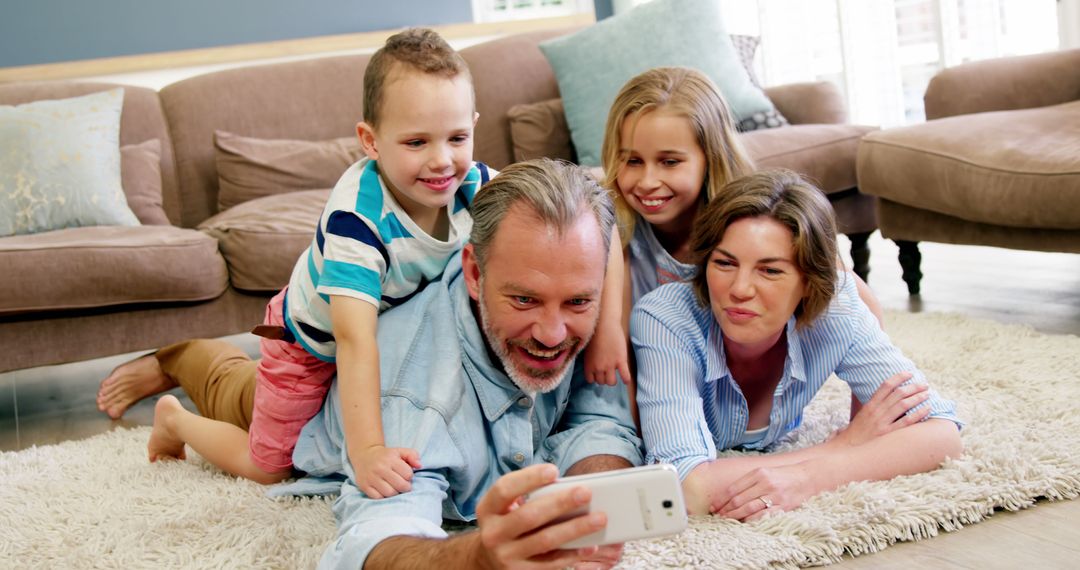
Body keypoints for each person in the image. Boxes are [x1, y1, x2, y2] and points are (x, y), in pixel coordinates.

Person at [98, 29, 629, 493]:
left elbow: (591, 211)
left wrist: (606, 330)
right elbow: (354, 342)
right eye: (417, 141)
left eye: (457, 137)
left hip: (391, 327)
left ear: (473, 126)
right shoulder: (359, 222)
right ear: (370, 141)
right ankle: (176, 420)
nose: (442, 160)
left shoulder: (478, 184)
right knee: (272, 466)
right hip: (314, 342)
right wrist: (369, 450)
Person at [98, 159, 643, 569]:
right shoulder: (418, 399)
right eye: (524, 301)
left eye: (578, 302)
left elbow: (601, 421)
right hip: (318, 369)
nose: (552, 334)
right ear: (475, 274)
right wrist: (479, 559)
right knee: (246, 413)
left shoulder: (584, 309)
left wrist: (585, 503)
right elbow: (371, 543)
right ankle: (177, 361)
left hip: (375, 346)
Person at [631, 168, 963, 520]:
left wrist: (813, 476)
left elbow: (941, 435)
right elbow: (685, 489)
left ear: (809, 280)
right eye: (725, 263)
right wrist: (843, 447)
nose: (740, 289)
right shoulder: (666, 315)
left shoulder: (836, 306)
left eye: (770, 271)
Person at [598, 66, 883, 420]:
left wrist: (863, 416)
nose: (647, 181)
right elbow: (619, 356)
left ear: (710, 157)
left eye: (670, 162)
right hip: (667, 396)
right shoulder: (619, 234)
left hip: (744, 398)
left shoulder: (752, 223)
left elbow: (862, 305)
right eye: (632, 161)